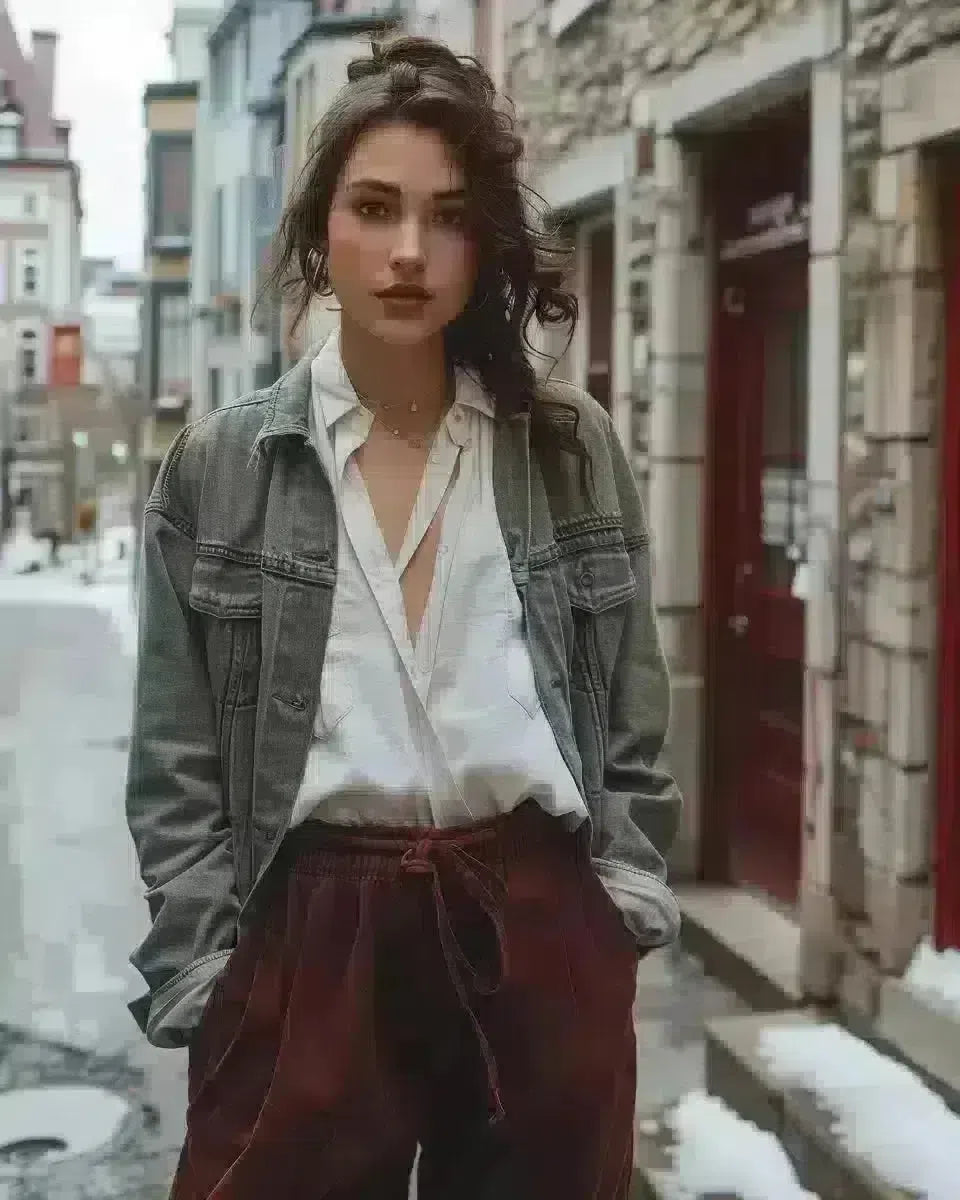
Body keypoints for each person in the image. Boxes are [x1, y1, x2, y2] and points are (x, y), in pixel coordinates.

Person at [125, 35, 681, 1200]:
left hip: (531, 921)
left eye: (448, 215)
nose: (410, 252)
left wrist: (612, 911)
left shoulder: (565, 448)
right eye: (375, 208)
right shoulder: (222, 467)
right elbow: (174, 758)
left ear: (486, 243)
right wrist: (209, 968)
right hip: (311, 936)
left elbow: (631, 712)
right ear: (323, 227)